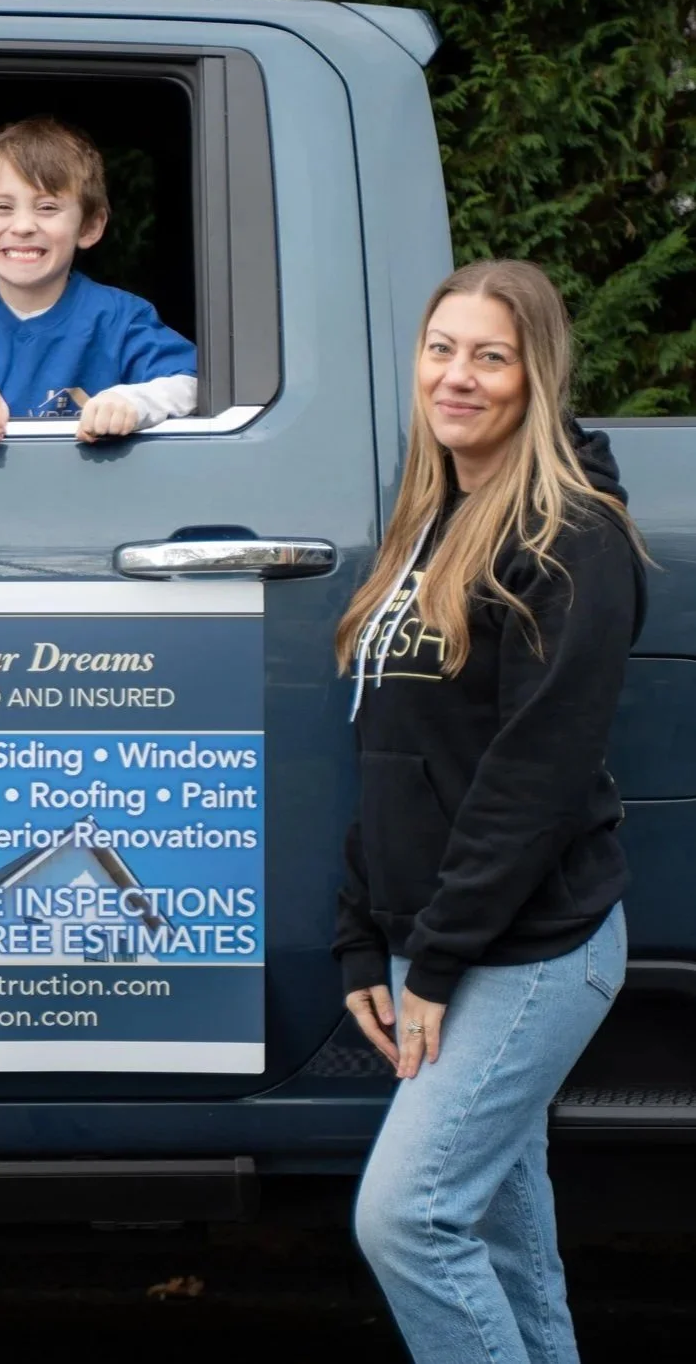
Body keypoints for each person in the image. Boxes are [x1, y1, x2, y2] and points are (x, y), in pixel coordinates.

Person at [333, 259, 645, 1364]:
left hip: (530, 947)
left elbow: (534, 779)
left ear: (535, 379)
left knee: (408, 1221)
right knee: (508, 1249)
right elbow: (388, 748)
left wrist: (437, 959)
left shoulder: (572, 540)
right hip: (443, 938)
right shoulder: (432, 517)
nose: (455, 376)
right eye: (440, 349)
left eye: (489, 357)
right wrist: (364, 932)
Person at [0, 116, 197, 443]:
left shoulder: (121, 315)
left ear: (89, 227)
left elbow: (192, 382)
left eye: (48, 207)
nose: (23, 226)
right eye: (3, 207)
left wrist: (133, 402)